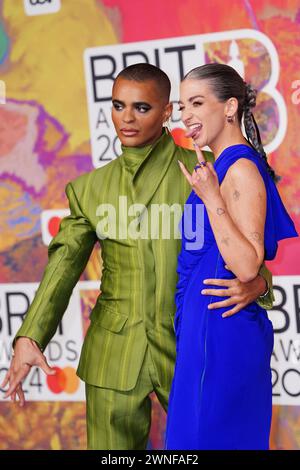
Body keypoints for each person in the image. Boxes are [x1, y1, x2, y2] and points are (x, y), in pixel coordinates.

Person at [2, 64, 274, 450]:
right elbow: (62, 266)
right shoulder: (89, 189)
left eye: (141, 107)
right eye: (117, 105)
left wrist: (260, 283)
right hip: (113, 355)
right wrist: (31, 335)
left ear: (166, 112)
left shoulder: (201, 174)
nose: (126, 118)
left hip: (189, 349)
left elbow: (246, 250)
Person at [164, 63, 298, 450]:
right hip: (204, 328)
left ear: (229, 107)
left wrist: (211, 198)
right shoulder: (218, 166)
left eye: (196, 102)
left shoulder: (238, 169)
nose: (185, 114)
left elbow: (245, 264)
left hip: (221, 333)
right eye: (182, 105)